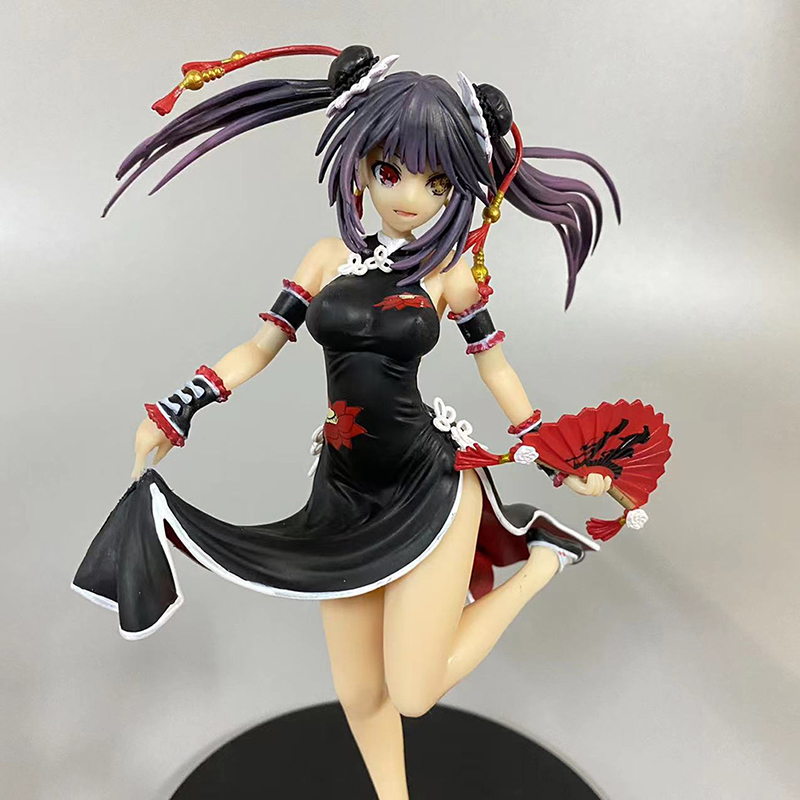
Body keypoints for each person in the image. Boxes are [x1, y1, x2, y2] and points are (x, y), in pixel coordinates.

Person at [72, 44, 621, 800]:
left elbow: (497, 369)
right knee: (360, 690)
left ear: (459, 188)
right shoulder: (326, 259)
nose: (411, 197)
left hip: (430, 484)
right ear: (360, 165)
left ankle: (542, 566)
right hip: (342, 490)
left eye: (437, 182)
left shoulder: (449, 275)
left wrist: (560, 455)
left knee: (414, 691)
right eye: (391, 171)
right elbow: (259, 346)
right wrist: (180, 407)